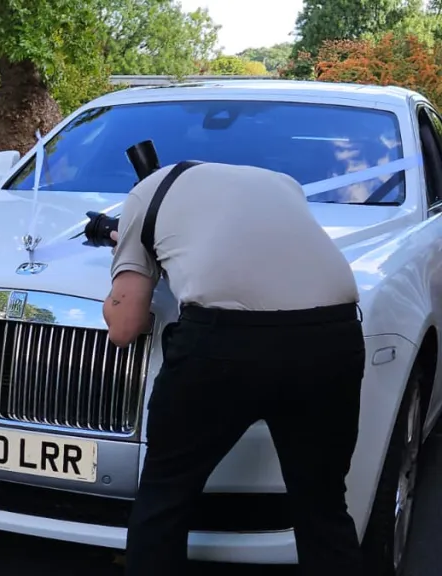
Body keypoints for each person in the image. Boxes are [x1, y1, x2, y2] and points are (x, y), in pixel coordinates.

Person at [103, 161, 365, 575]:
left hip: (222, 346)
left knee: (165, 498)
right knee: (323, 505)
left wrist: (129, 255)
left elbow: (125, 327)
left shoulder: (146, 193)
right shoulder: (282, 180)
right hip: (333, 336)